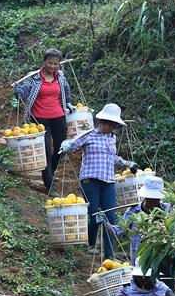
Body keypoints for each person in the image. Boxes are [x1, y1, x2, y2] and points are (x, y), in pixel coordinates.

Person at [59, 103, 138, 259]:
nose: (113, 128)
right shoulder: (89, 135)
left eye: (115, 125)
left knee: (110, 217)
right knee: (95, 214)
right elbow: (73, 145)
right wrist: (66, 145)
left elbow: (112, 157)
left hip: (108, 181)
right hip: (91, 181)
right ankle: (91, 243)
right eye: (112, 125)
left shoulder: (112, 138)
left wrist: (128, 163)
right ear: (104, 122)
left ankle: (109, 255)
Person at [13, 49, 74, 190]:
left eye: (56, 64)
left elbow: (66, 89)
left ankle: (49, 172)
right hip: (39, 119)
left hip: (58, 117)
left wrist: (69, 102)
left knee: (61, 148)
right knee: (45, 150)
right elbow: (24, 94)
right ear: (44, 61)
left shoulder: (60, 76)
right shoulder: (33, 78)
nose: (52, 66)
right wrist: (19, 92)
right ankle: (49, 184)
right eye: (50, 63)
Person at [107, 175, 173, 266]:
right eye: (151, 198)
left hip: (161, 259)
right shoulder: (134, 211)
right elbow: (119, 231)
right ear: (145, 197)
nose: (153, 202)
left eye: (156, 199)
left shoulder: (167, 210)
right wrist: (105, 224)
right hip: (139, 259)